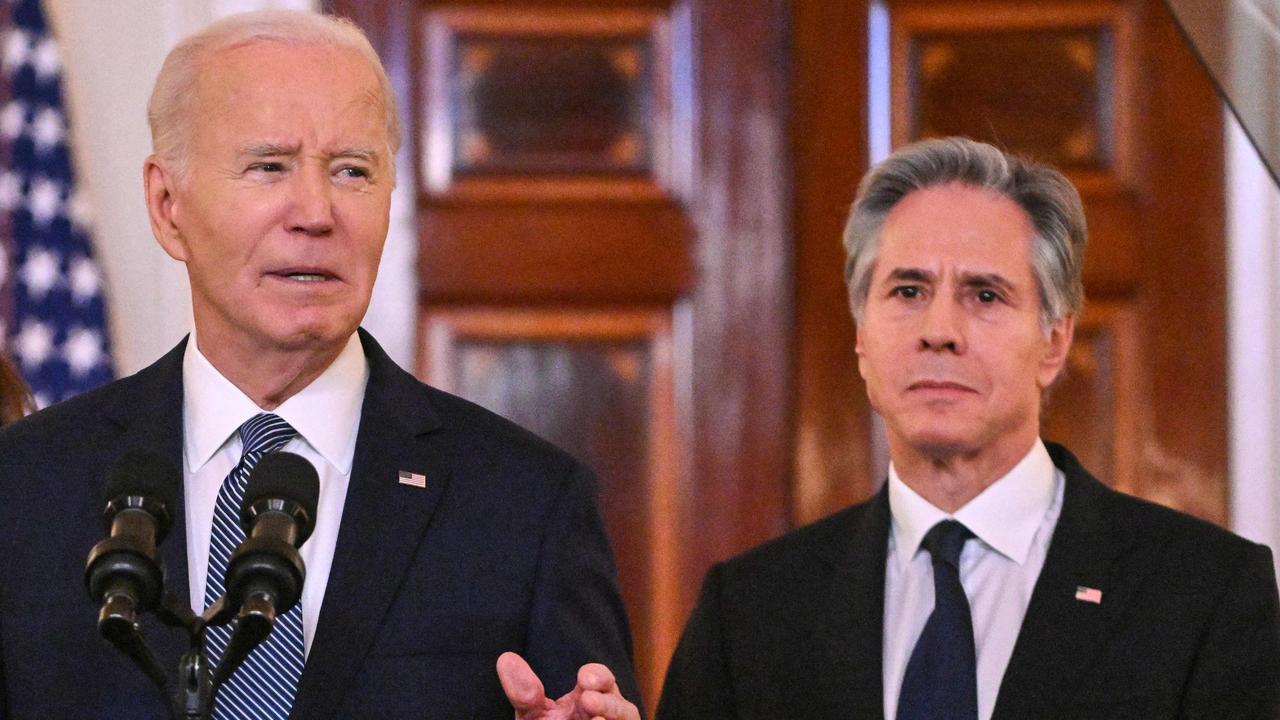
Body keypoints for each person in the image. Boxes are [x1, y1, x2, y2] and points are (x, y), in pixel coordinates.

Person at [0, 10, 641, 720]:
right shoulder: (25, 487)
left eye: (351, 171)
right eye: (269, 166)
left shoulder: (527, 507)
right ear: (166, 204)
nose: (315, 212)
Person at [656, 137, 1280, 719]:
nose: (940, 330)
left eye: (985, 296)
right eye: (907, 291)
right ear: (862, 338)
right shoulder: (749, 612)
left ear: (1054, 341)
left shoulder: (1205, 596)